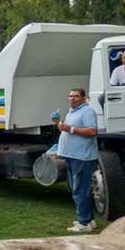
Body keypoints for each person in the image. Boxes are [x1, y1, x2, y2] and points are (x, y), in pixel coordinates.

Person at [55, 88, 99, 233]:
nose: (72, 98)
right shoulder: (72, 112)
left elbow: (92, 131)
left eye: (76, 96)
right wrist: (58, 123)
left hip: (82, 157)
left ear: (84, 98)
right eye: (70, 96)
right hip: (72, 156)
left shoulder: (87, 111)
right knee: (78, 188)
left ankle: (83, 223)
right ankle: (89, 220)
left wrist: (70, 128)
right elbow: (66, 130)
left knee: (80, 190)